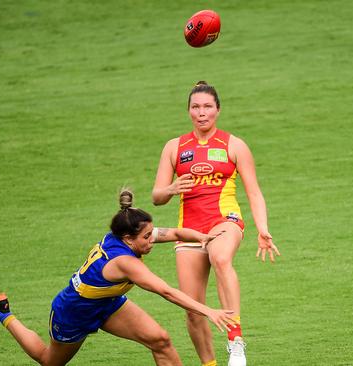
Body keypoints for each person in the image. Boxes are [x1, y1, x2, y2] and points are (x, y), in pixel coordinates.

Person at [0, 189, 237, 366]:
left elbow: (176, 234)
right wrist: (208, 311)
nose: (152, 240)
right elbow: (166, 291)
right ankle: (3, 312)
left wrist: (202, 236)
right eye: (147, 238)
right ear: (128, 239)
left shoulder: (130, 234)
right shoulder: (125, 262)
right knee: (48, 360)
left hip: (108, 303)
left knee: (160, 340)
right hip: (73, 311)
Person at [152, 81, 281, 366]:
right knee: (192, 309)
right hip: (188, 231)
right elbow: (156, 196)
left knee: (220, 257)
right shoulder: (174, 147)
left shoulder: (234, 145)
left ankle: (235, 342)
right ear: (188, 111)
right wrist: (171, 189)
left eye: (207, 106)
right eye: (196, 107)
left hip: (225, 221)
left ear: (218, 110)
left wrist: (263, 229)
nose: (202, 113)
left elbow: (254, 192)